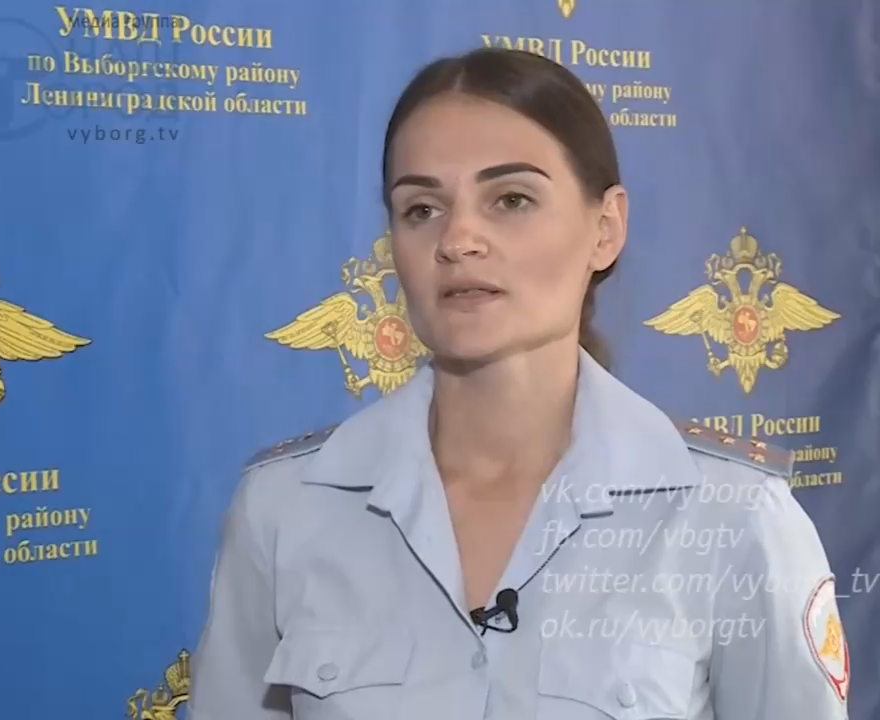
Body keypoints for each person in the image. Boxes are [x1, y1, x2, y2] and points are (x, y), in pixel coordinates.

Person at [188, 47, 850, 720]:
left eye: (511, 199)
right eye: (421, 209)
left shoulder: (732, 515)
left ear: (605, 229)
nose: (459, 239)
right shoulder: (285, 509)